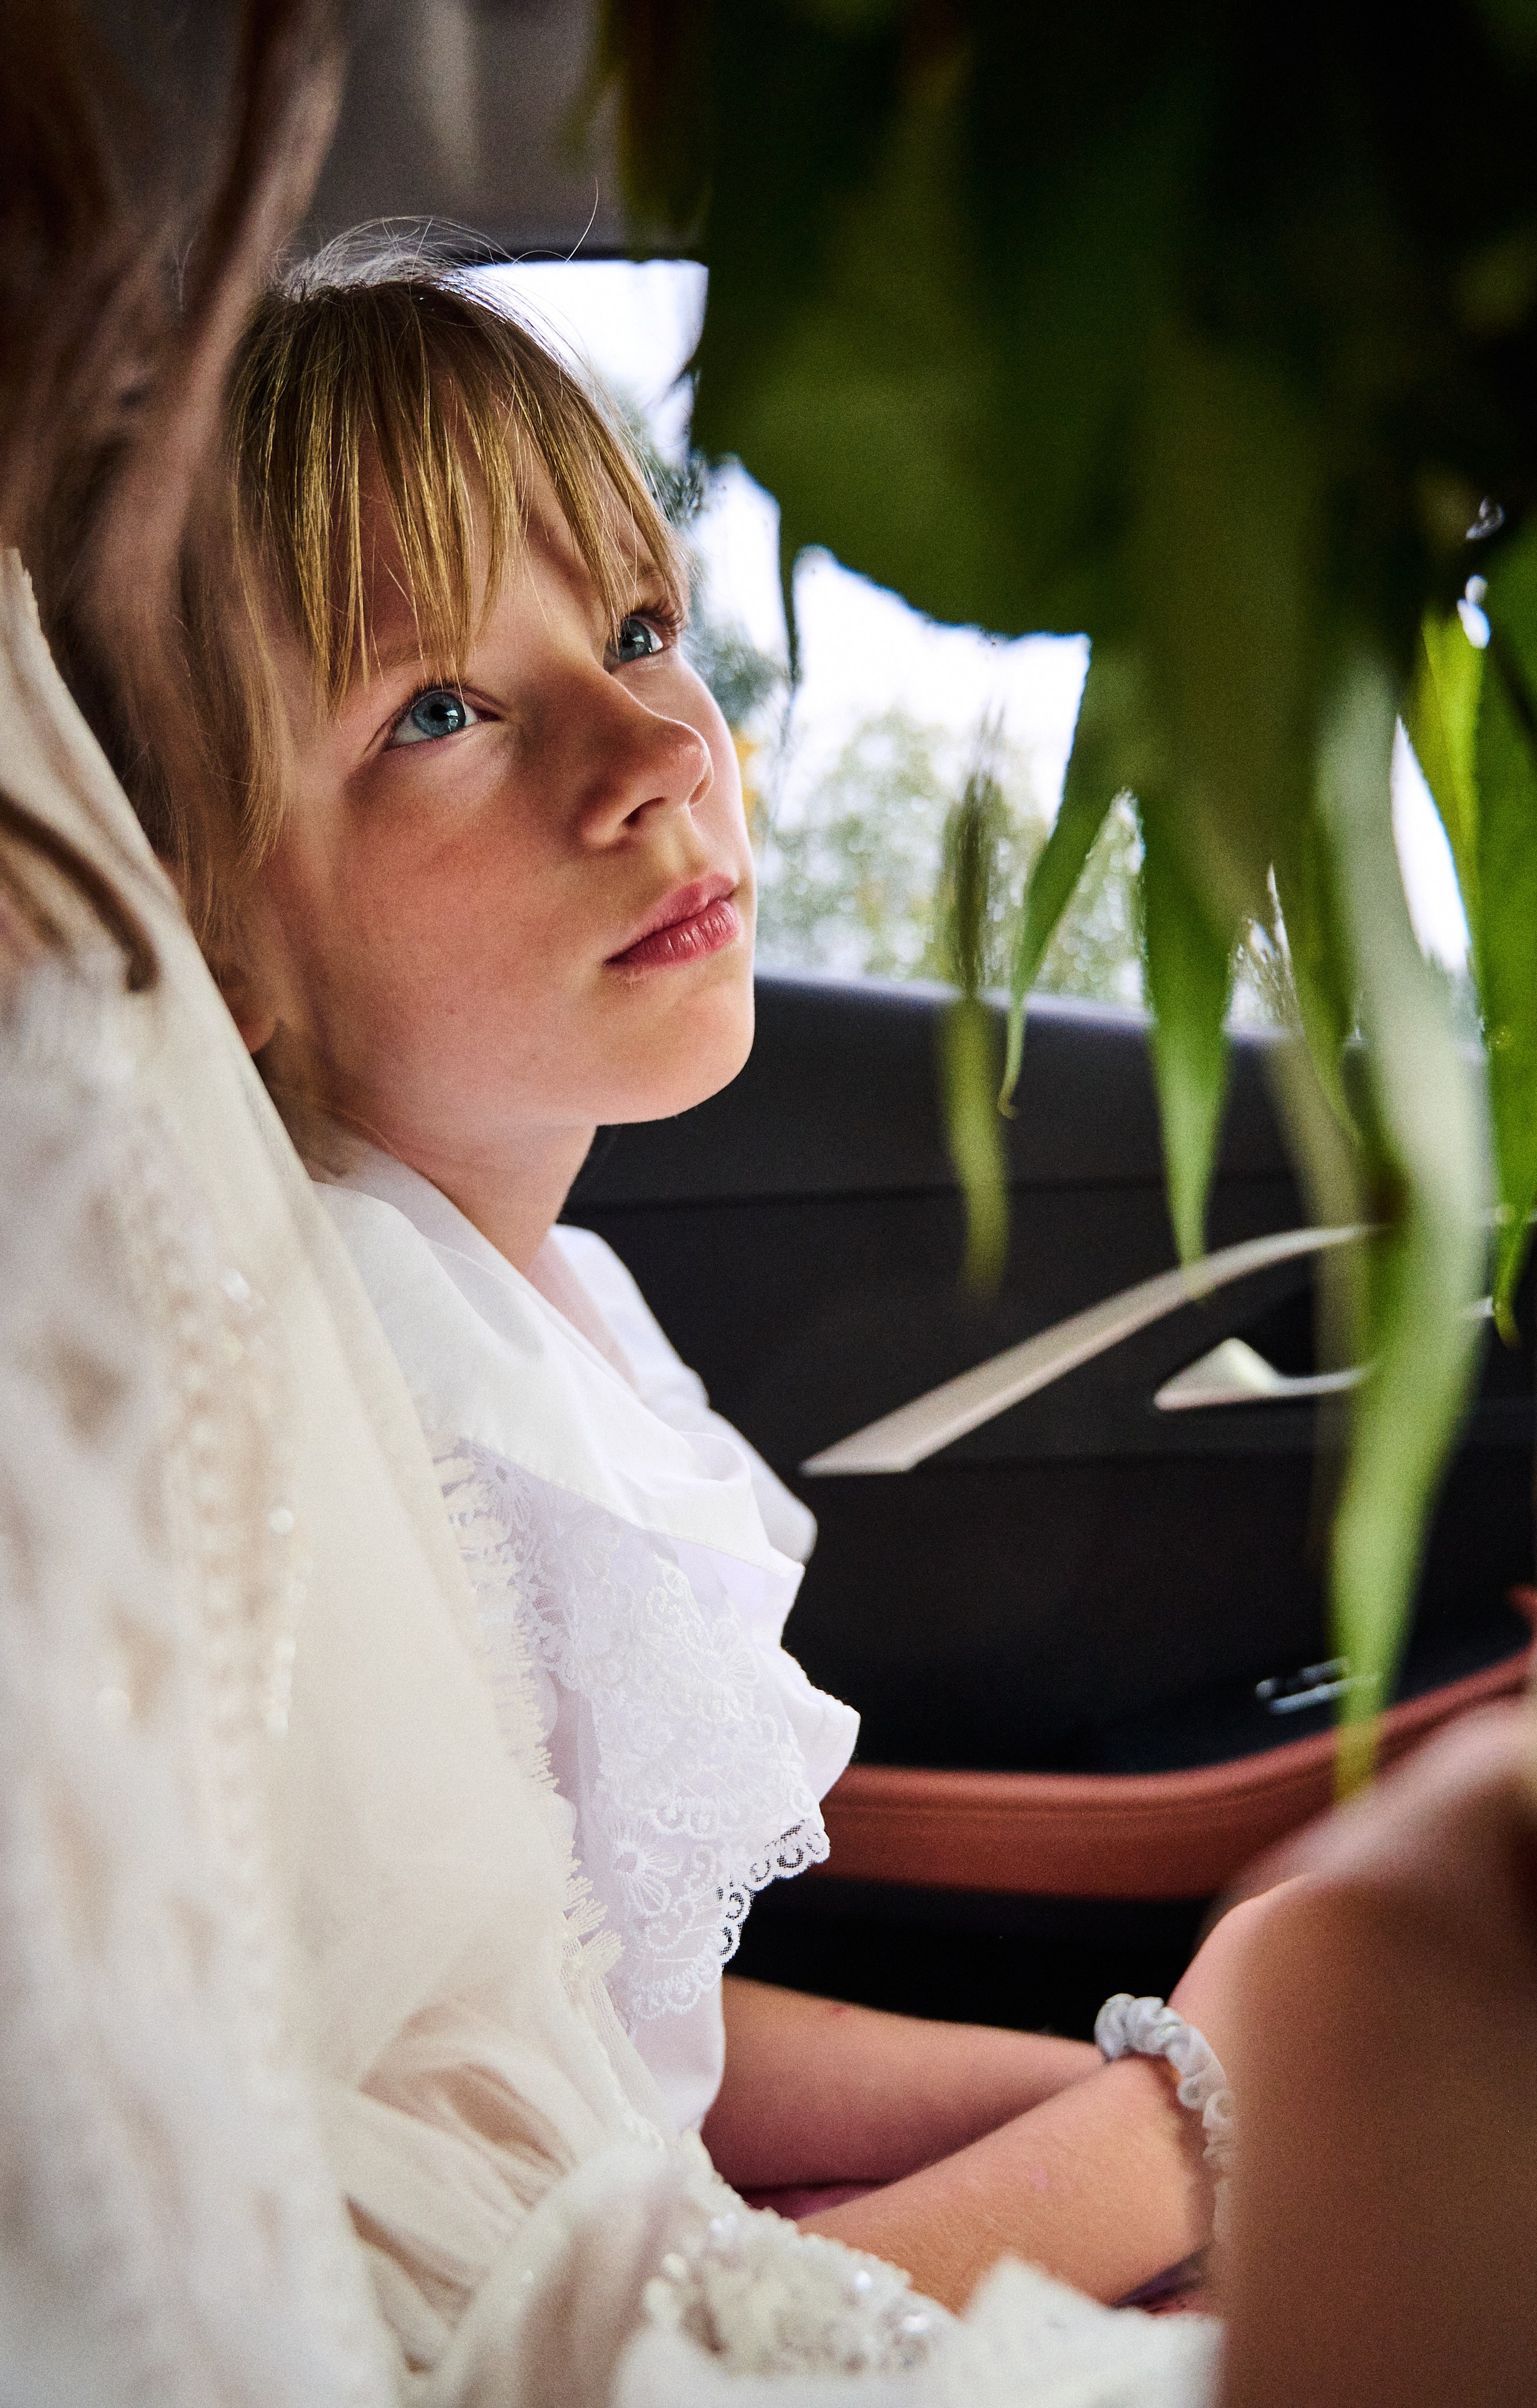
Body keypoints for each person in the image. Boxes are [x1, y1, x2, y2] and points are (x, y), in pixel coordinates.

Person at [191, 251, 1265, 2322]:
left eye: (637, 632)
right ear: (217, 929)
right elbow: (505, 2346)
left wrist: (1112, 2093)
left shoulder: (550, 1306)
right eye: (439, 712)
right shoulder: (304, 1437)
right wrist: (1184, 2135)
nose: (656, 755)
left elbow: (588, 2041)